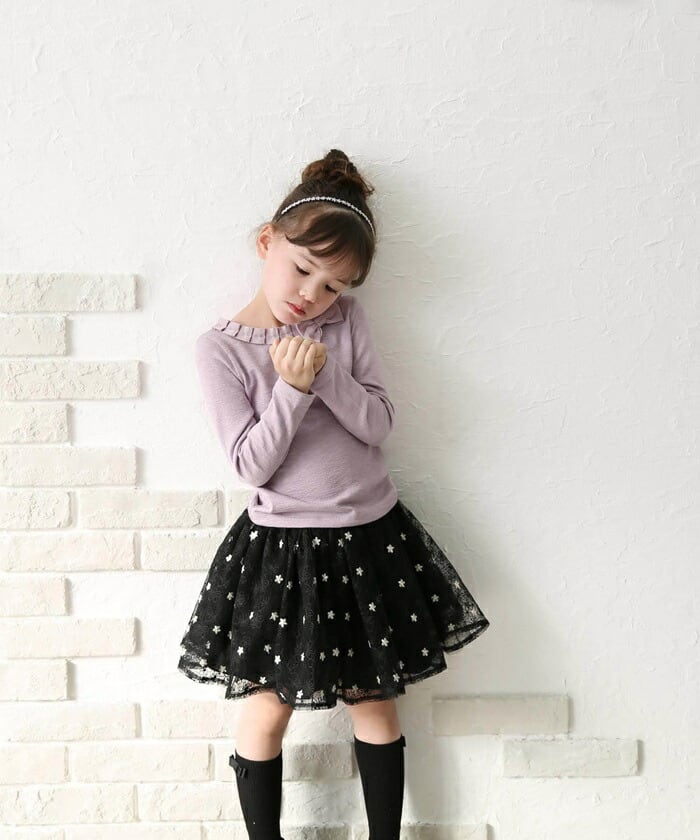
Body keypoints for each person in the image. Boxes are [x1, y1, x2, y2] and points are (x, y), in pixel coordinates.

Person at [177, 148, 490, 840]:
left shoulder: (344, 324)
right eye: (302, 269)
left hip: (370, 537)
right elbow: (252, 464)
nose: (311, 296)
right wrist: (290, 390)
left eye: (333, 285)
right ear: (268, 242)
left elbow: (377, 424)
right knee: (268, 707)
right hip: (282, 551)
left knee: (373, 701)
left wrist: (324, 376)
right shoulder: (221, 350)